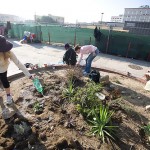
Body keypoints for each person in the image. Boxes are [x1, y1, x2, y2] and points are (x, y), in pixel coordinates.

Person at [0, 35, 34, 117]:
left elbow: (19, 64)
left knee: (4, 80)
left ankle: (8, 96)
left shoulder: (9, 53)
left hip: (3, 70)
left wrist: (29, 75)